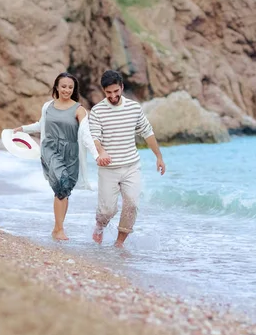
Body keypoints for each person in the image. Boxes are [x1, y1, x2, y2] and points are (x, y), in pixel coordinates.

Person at [14, 72, 99, 241]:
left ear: (73, 89)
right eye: (63, 86)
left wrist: (96, 155)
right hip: (50, 149)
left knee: (64, 190)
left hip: (71, 154)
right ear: (57, 87)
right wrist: (23, 129)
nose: (66, 90)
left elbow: (85, 134)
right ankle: (59, 229)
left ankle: (57, 229)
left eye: (70, 87)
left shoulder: (79, 110)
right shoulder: (48, 107)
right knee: (61, 182)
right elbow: (41, 125)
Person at [89, 70, 166, 248]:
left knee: (131, 204)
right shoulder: (98, 111)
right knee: (107, 210)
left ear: (122, 87)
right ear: (103, 91)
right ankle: (100, 226)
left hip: (131, 165)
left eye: (116, 91)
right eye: (109, 92)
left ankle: (119, 243)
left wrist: (159, 157)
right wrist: (101, 152)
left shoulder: (133, 108)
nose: (113, 96)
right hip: (108, 168)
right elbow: (94, 136)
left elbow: (147, 132)